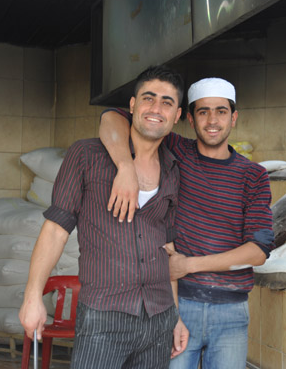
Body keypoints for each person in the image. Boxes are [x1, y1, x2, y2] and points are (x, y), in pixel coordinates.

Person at [19, 65, 189, 369]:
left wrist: (175, 316)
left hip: (158, 319)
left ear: (177, 115)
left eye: (167, 102)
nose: (156, 108)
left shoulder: (174, 169)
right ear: (133, 106)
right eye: (148, 99)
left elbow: (168, 249)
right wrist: (32, 296)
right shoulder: (86, 156)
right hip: (103, 317)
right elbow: (56, 229)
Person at [99, 77, 275, 369]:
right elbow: (111, 118)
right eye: (203, 112)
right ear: (190, 119)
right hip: (178, 307)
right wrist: (125, 166)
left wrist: (189, 265)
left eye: (221, 111)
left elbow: (258, 251)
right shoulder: (176, 152)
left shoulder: (253, 176)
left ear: (234, 117)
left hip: (231, 311)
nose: (212, 120)